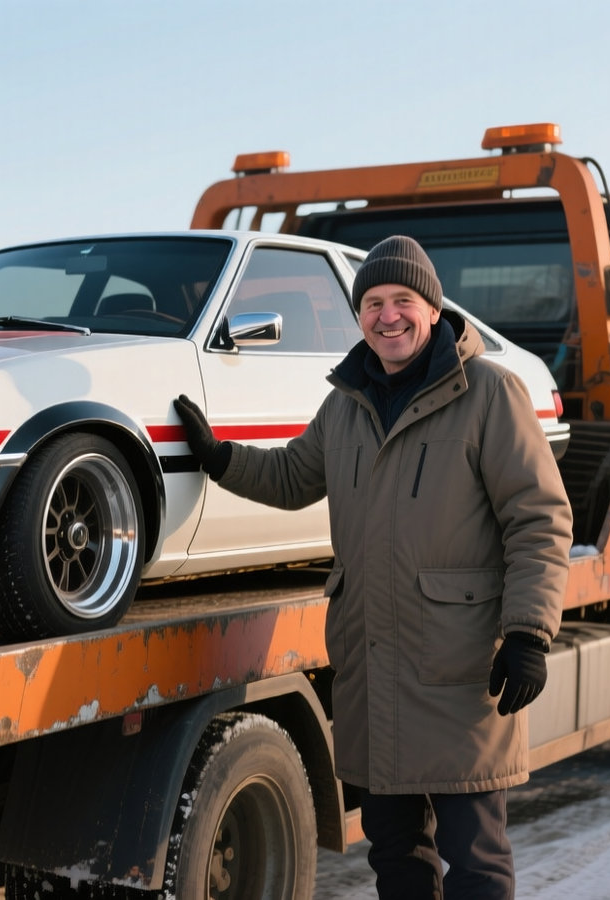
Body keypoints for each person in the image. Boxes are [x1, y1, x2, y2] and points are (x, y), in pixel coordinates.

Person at [173, 235, 572, 899]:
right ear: (358, 315)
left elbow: (539, 519)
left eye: (403, 300)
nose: (388, 316)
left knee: (475, 860)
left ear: (433, 308)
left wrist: (529, 632)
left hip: (458, 672)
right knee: (395, 855)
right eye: (373, 303)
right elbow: (293, 475)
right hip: (373, 673)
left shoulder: (490, 393)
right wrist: (220, 458)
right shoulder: (347, 402)